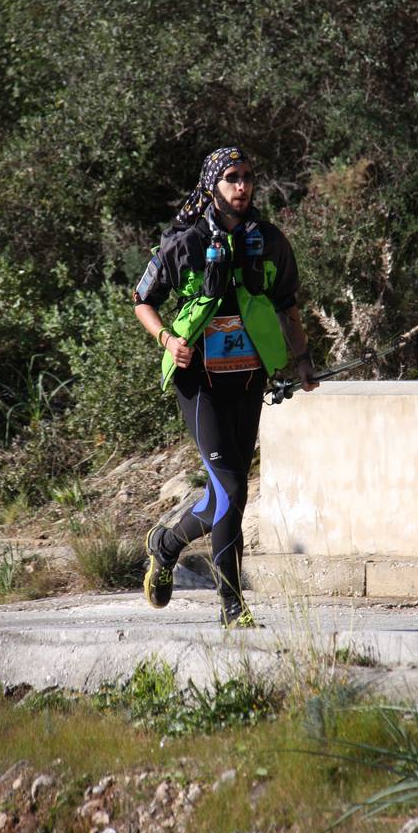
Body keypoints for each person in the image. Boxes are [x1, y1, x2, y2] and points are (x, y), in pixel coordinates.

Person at [134, 146, 317, 628]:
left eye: (248, 177)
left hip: (250, 380)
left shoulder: (269, 240)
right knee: (233, 488)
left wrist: (302, 361)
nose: (242, 186)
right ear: (213, 186)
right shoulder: (184, 241)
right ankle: (233, 607)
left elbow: (288, 308)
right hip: (200, 384)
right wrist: (168, 339)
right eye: (232, 178)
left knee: (223, 496)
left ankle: (166, 543)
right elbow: (142, 301)